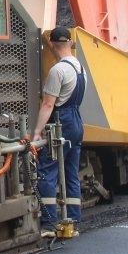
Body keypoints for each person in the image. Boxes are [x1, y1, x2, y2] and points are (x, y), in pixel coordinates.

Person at [32, 26, 87, 237]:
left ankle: (49, 224)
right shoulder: (80, 67)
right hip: (77, 122)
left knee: (47, 170)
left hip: (62, 122)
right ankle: (73, 220)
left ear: (53, 45)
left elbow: (48, 104)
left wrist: (37, 132)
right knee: (71, 173)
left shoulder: (58, 70)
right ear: (71, 43)